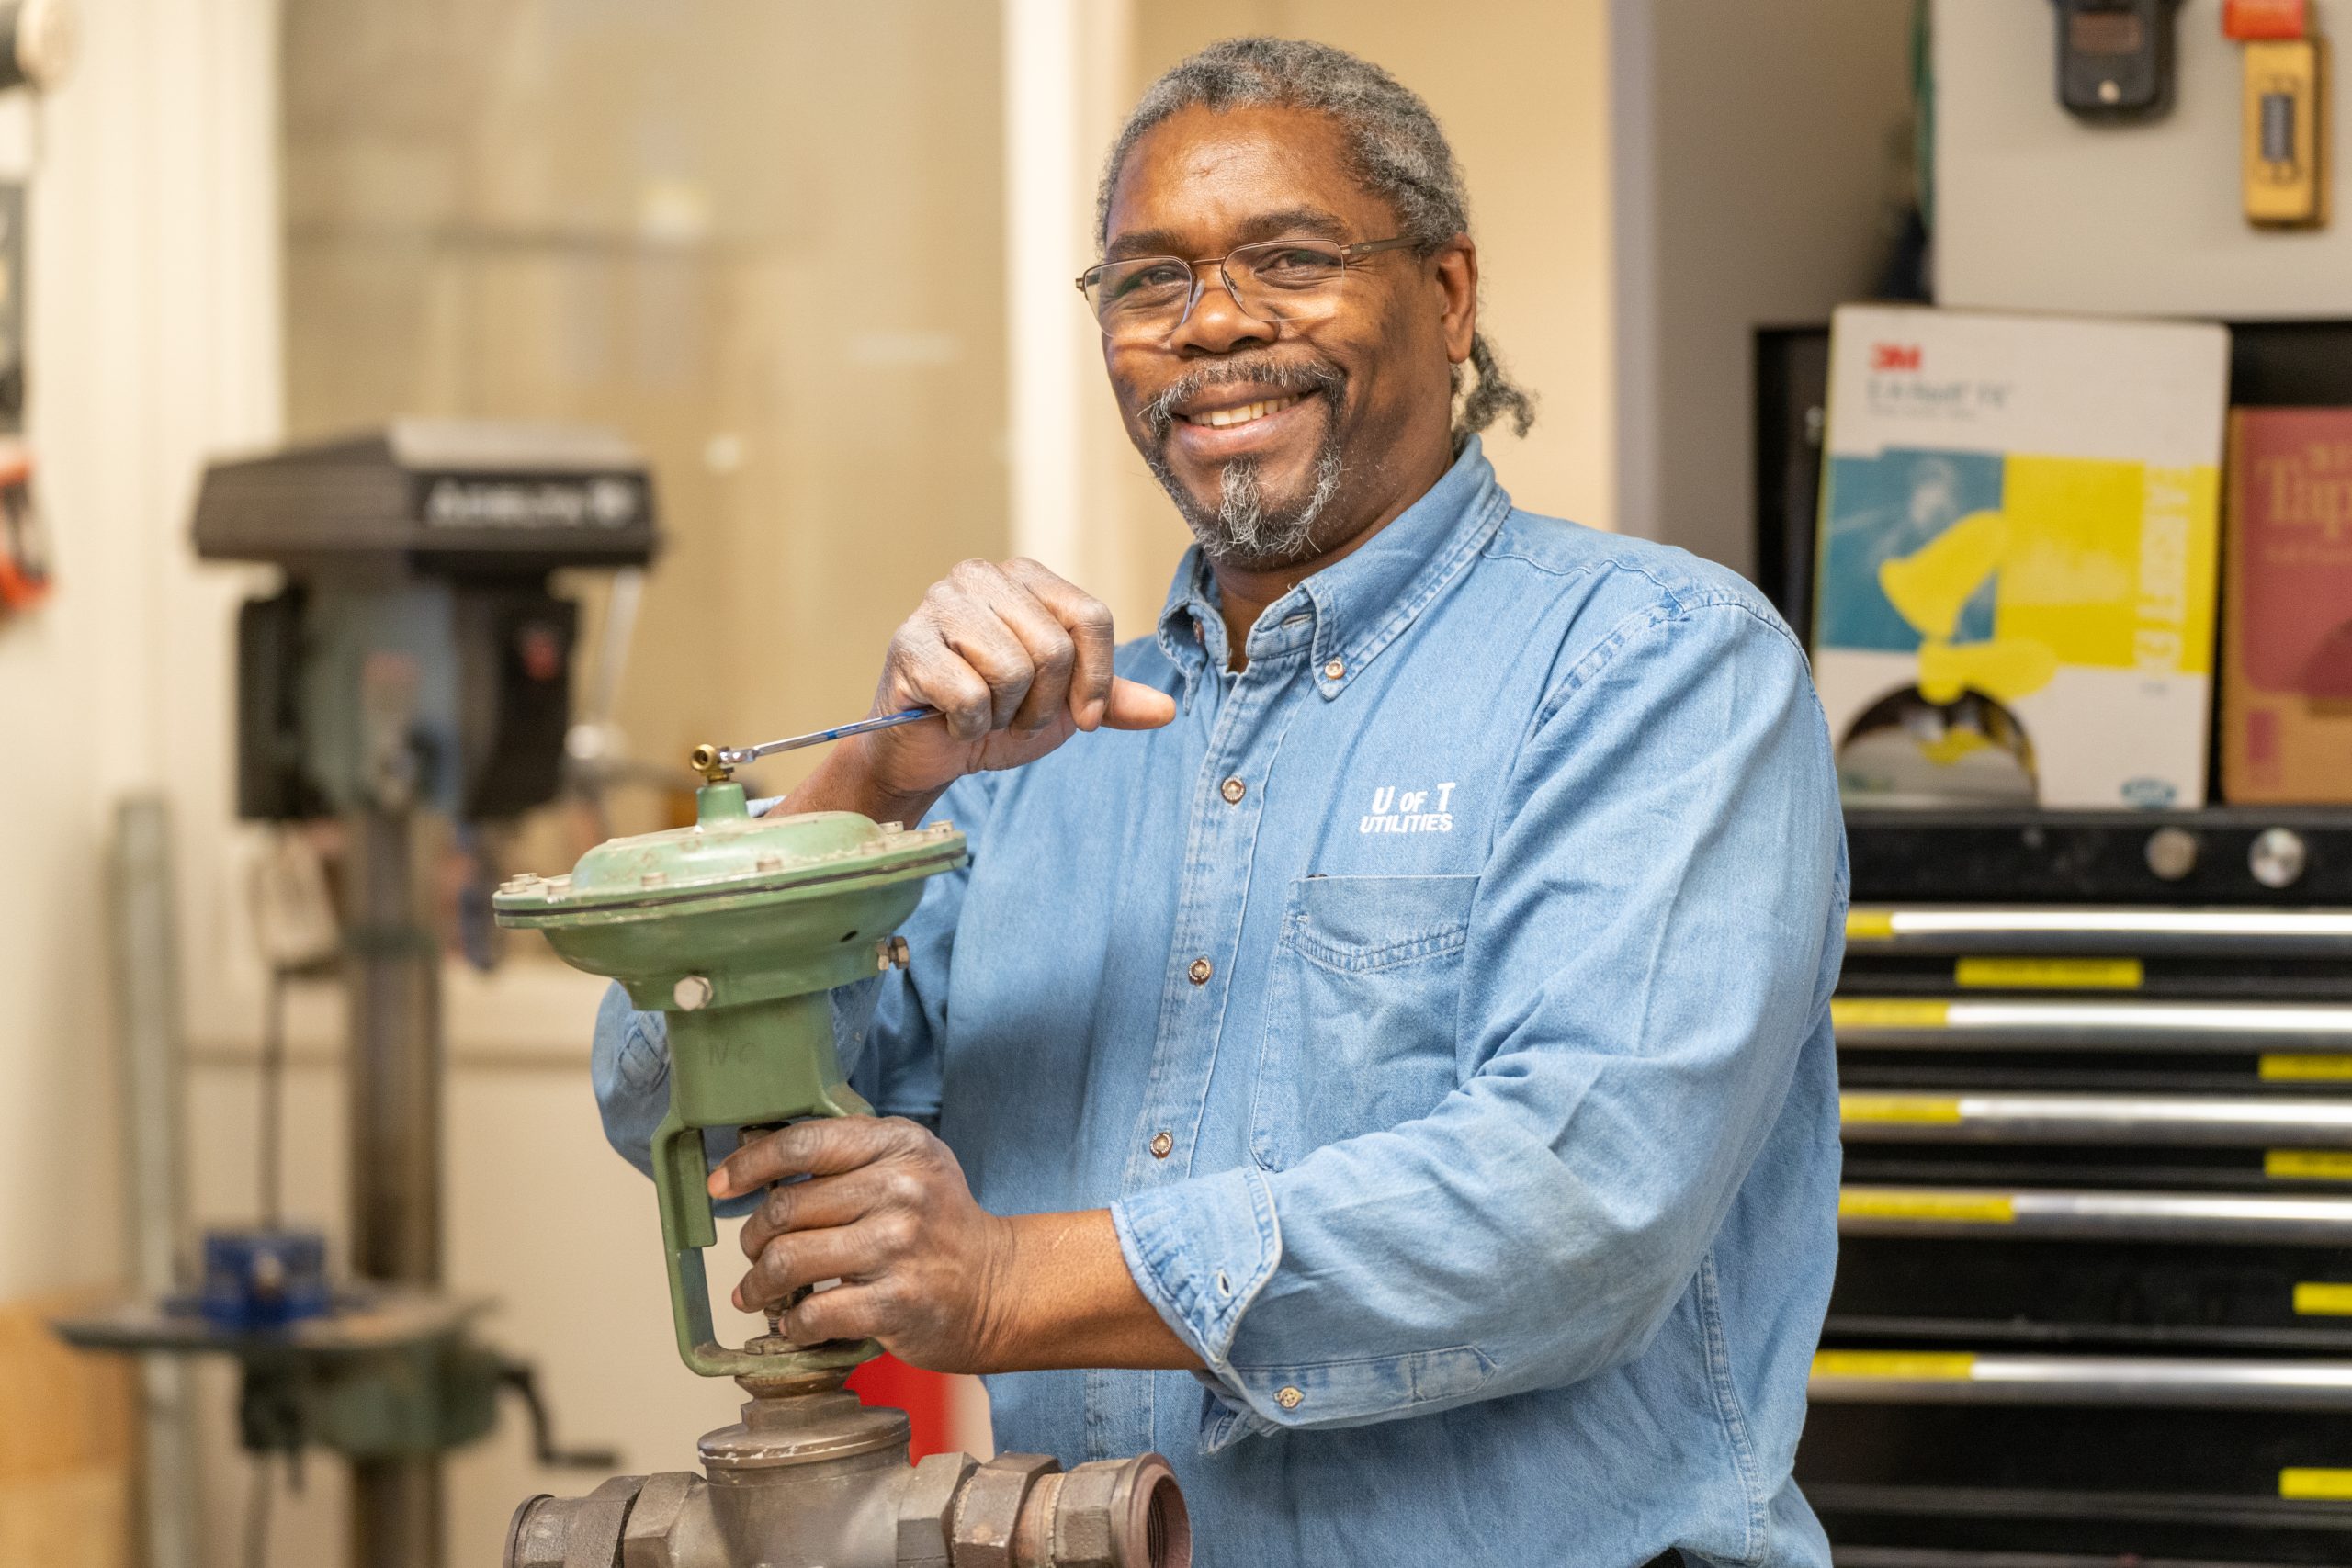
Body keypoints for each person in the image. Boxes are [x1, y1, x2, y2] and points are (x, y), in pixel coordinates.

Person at [595, 36, 1846, 1568]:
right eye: (1146, 282)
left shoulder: (1656, 667)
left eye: (1292, 258)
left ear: (1449, 296)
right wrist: (875, 786)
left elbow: (1578, 1206)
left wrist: (999, 1283)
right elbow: (674, 1109)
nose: (1214, 327)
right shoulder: (1022, 756)